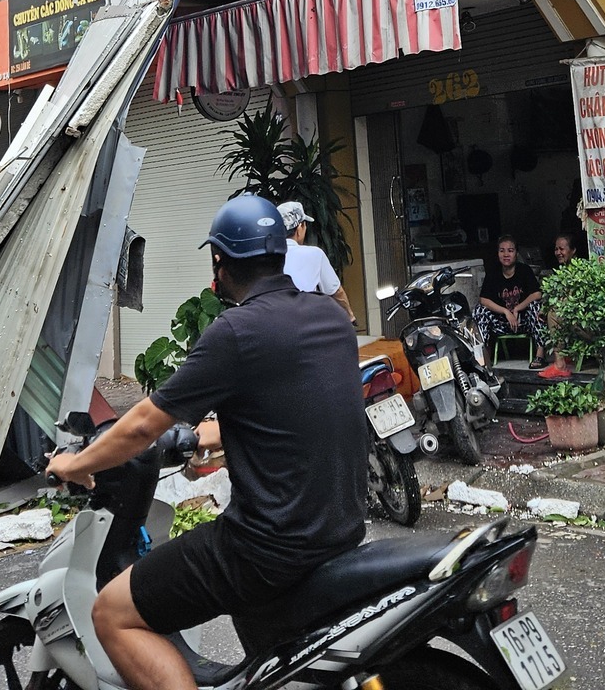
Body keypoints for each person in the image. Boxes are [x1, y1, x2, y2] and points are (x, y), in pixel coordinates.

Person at [47, 193, 366, 690]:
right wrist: (206, 439)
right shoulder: (332, 320)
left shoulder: (236, 331)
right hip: (341, 531)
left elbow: (140, 427)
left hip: (267, 549)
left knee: (111, 612)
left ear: (220, 262)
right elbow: (288, 409)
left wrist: (75, 463)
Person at [475, 236, 547, 364]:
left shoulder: (524, 270)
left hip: (524, 321)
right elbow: (483, 300)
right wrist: (506, 312)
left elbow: (537, 294)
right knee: (479, 311)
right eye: (502, 251)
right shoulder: (493, 272)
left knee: (536, 307)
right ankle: (485, 356)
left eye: (510, 250)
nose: (506, 254)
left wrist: (517, 308)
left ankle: (540, 355)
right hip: (502, 322)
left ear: (516, 253)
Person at [277, 200, 351, 318]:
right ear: (300, 227)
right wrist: (350, 316)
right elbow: (337, 292)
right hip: (306, 322)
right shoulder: (314, 254)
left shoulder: (268, 257)